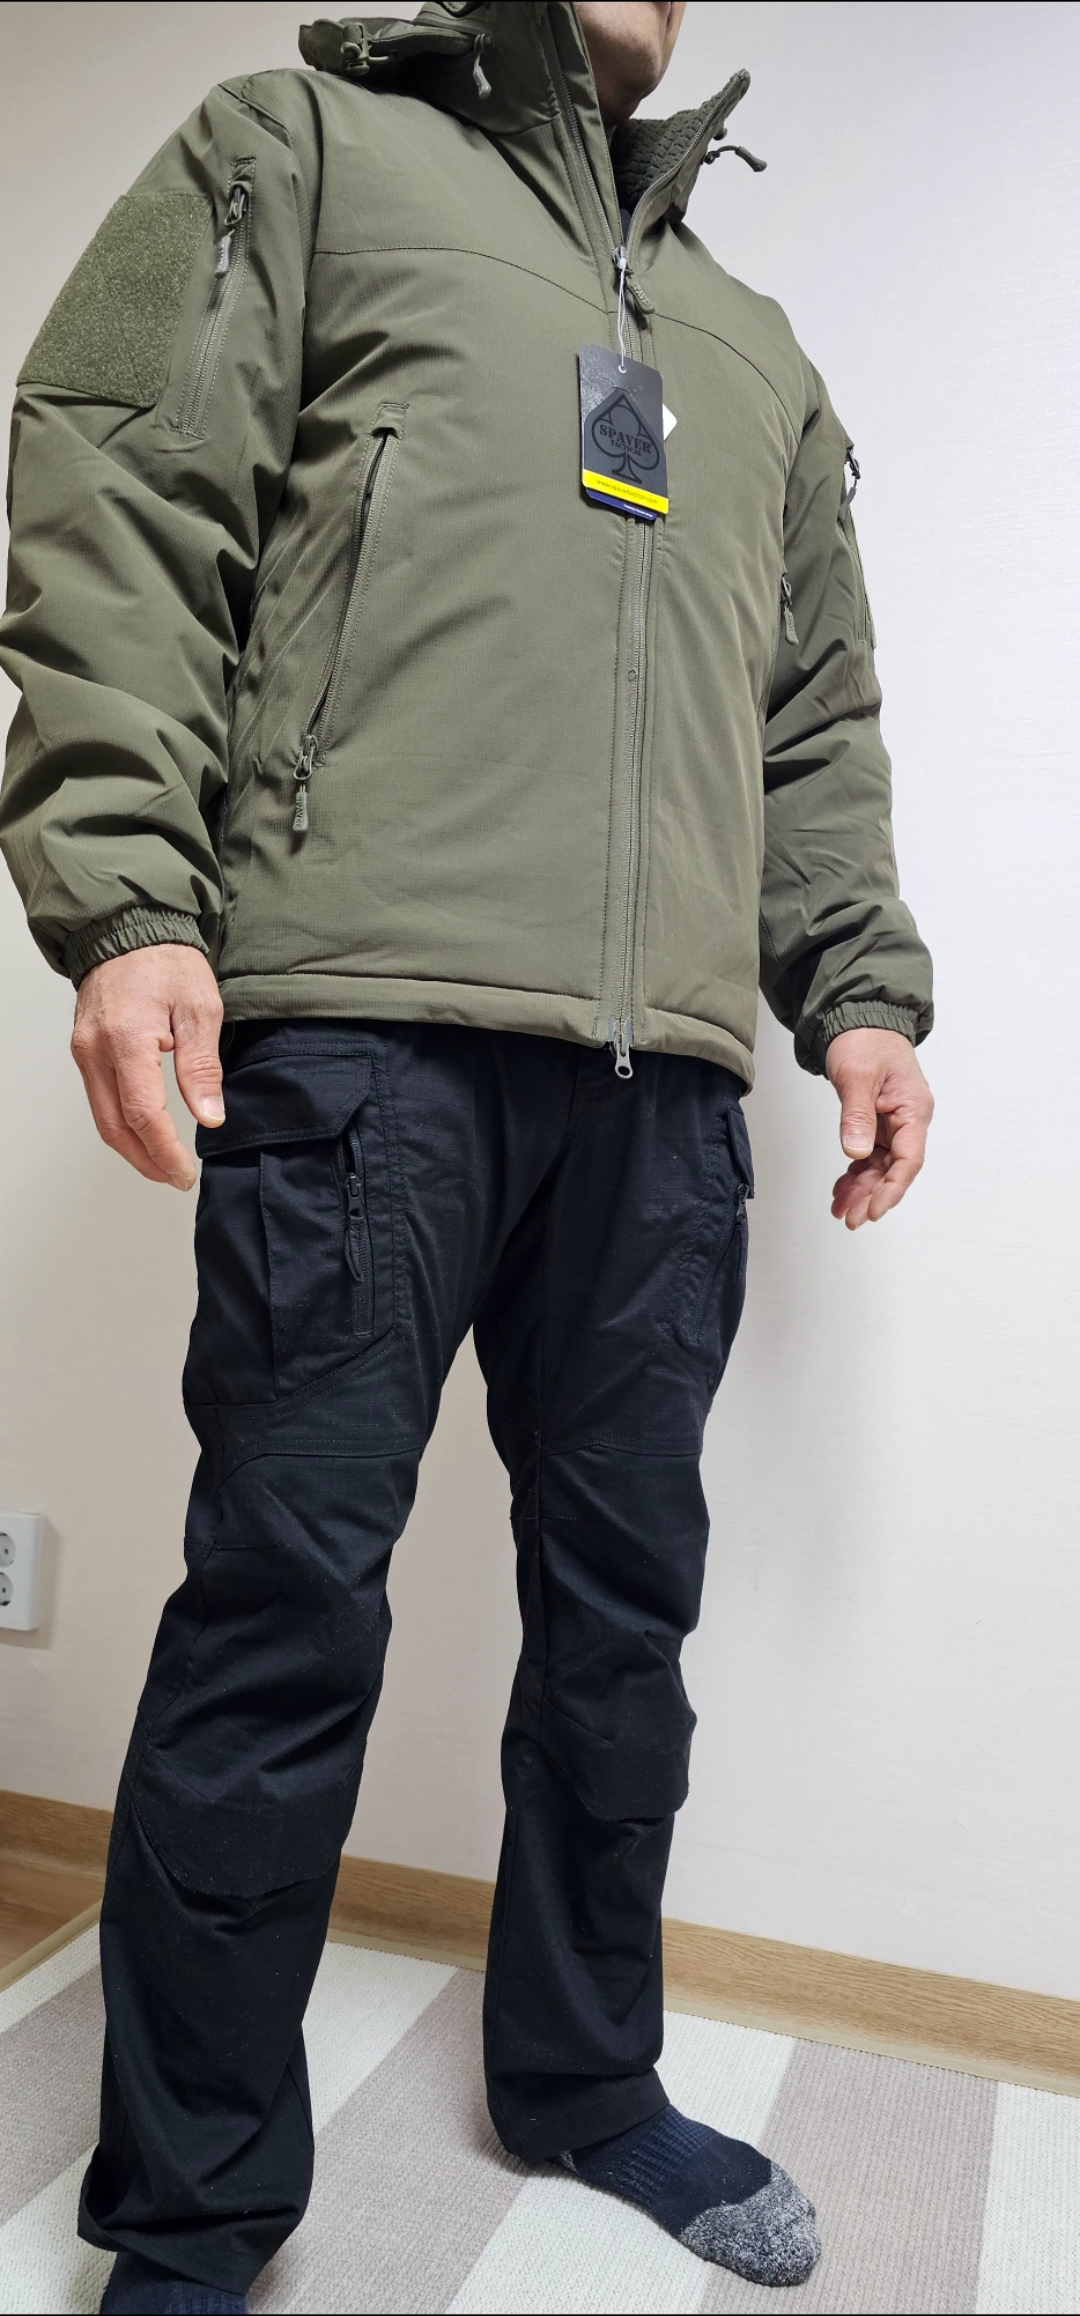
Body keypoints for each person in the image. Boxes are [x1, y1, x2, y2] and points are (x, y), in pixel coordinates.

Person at [0, 2, 934, 2307]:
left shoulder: (753, 345)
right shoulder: (300, 150)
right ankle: (196, 2215)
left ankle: (588, 2081)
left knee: (626, 1621)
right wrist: (128, 898)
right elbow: (123, 495)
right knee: (282, 1609)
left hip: (667, 1094)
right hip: (360, 1042)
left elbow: (814, 714)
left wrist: (861, 986)